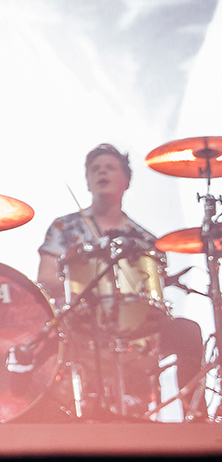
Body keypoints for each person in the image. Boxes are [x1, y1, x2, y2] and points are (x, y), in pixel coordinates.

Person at [36, 143, 205, 414]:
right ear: (87, 182)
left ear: (126, 181)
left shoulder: (145, 239)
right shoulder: (64, 227)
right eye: (95, 169)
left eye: (110, 168)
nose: (102, 172)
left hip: (135, 327)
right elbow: (45, 279)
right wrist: (86, 288)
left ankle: (195, 417)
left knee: (188, 332)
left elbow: (154, 293)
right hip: (79, 321)